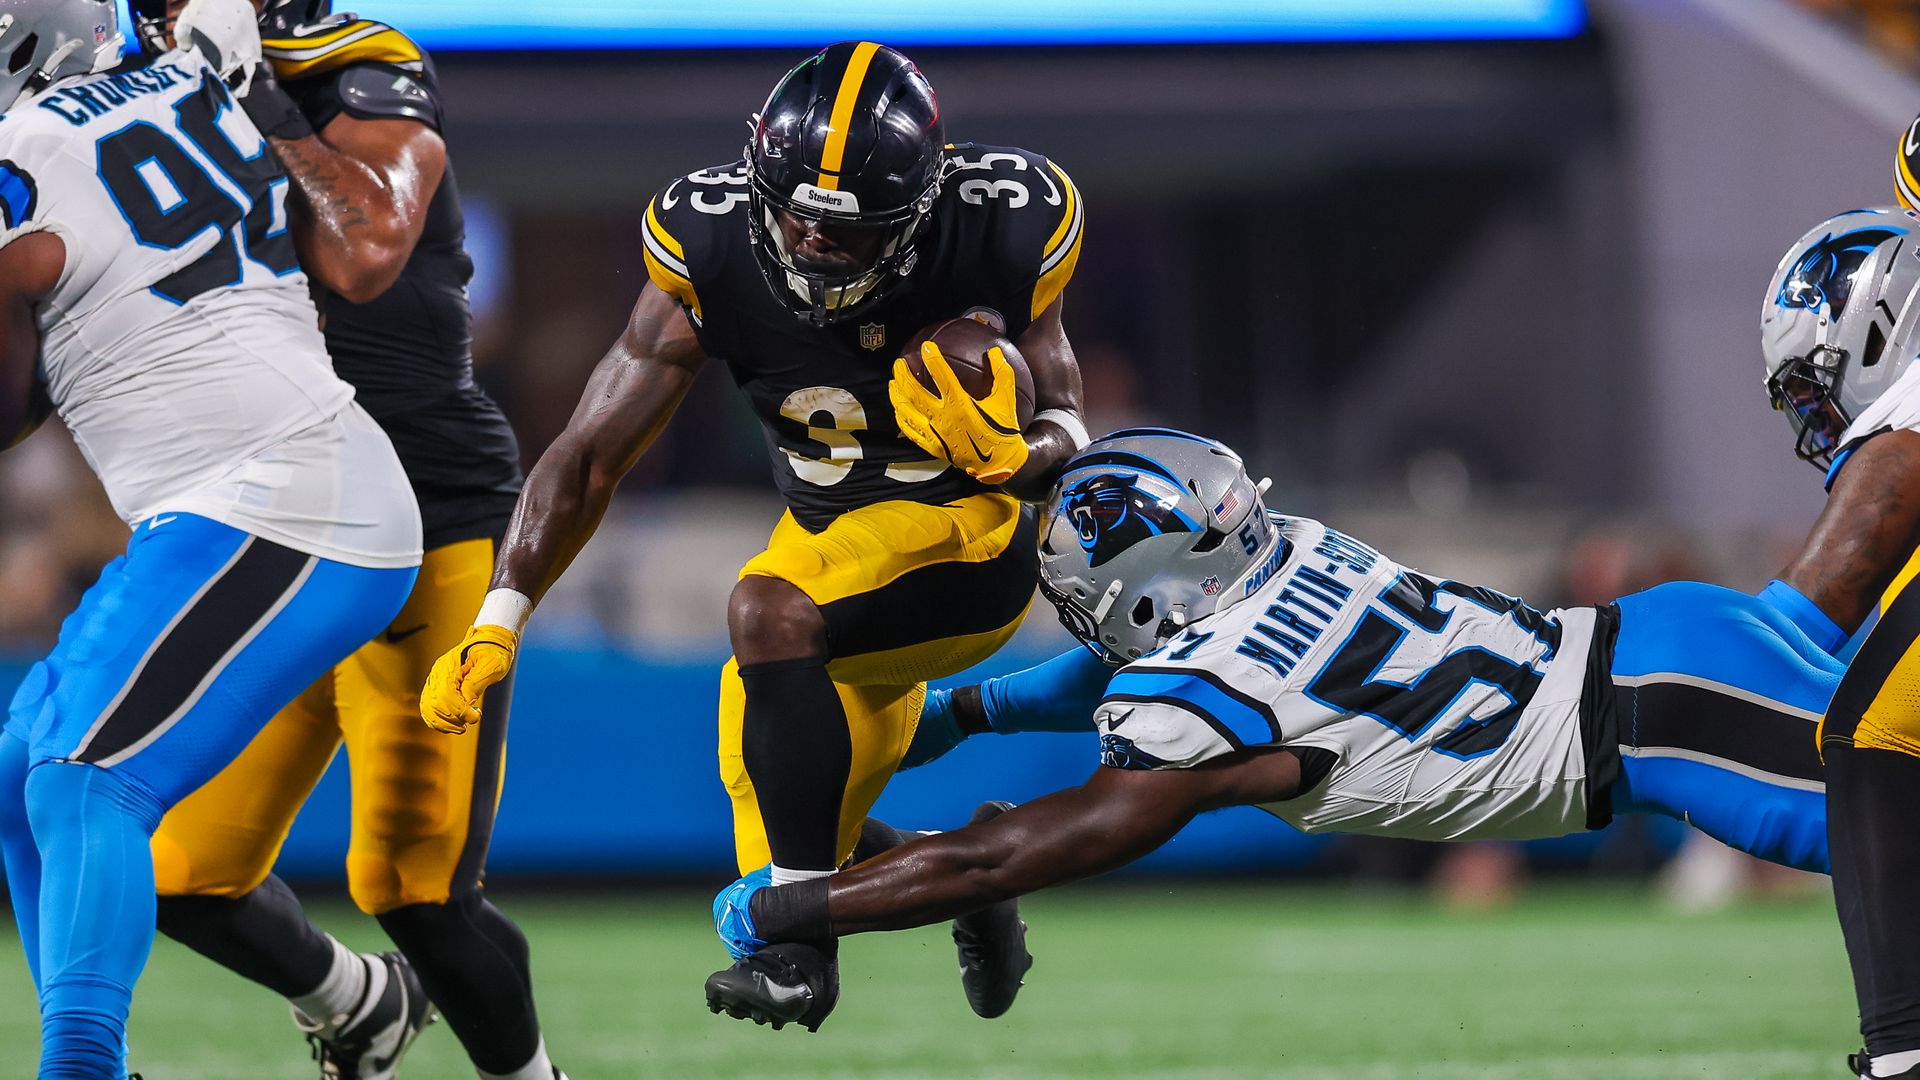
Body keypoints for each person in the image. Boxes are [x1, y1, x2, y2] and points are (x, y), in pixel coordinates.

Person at [704, 427, 1842, 1030]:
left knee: (1896, 848)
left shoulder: (1204, 690)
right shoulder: (1279, 544)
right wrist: (964, 714)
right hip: (1669, 639)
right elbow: (1138, 666)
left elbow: (1022, 847)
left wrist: (791, 902)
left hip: (1659, 721)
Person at [418, 40, 1091, 1029]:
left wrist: (1016, 456)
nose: (813, 245)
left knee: (766, 619)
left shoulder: (999, 218)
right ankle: (965, 880)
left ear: (918, 211)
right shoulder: (711, 240)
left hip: (968, 537)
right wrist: (500, 615)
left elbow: (1071, 424)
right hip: (825, 545)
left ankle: (798, 958)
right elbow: (590, 454)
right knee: (793, 813)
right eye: (794, 217)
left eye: (847, 233)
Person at [112, 1, 564, 1076]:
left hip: (423, 515)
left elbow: (362, 255)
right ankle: (358, 1004)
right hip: (276, 526)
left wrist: (253, 99)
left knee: (415, 885)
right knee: (181, 873)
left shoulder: (353, 67)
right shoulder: (116, 100)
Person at [0, 1, 422, 1074]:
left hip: (278, 499)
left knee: (86, 779)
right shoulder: (190, 81)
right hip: (257, 492)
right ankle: (354, 1001)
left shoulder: (30, 153)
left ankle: (81, 1064)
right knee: (20, 765)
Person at [1757, 201, 1920, 1080]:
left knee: (1873, 734)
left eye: (1814, 390)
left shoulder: (1902, 433)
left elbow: (1828, 590)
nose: (1818, 424)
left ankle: (1908, 1053)